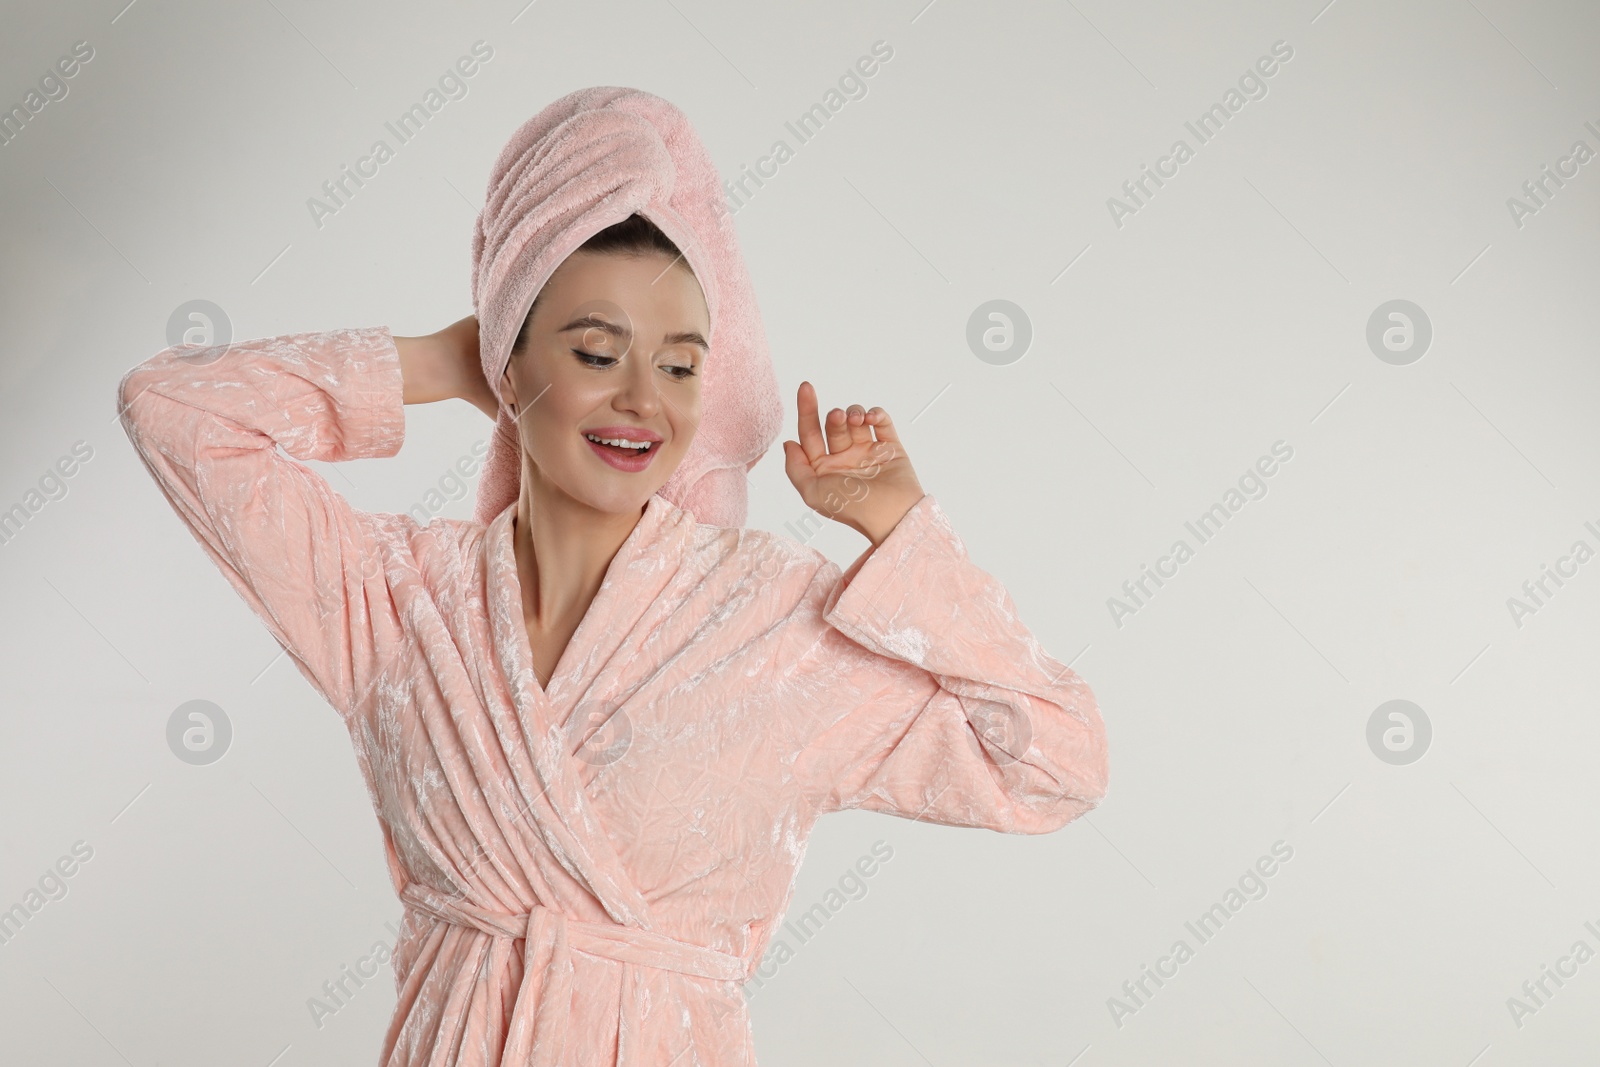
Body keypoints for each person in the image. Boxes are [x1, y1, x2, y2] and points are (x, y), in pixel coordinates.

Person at [117, 89, 1108, 1067]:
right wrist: (433, 360)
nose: (643, 398)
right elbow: (171, 411)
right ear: (510, 368)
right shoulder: (395, 599)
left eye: (681, 367)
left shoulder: (772, 619)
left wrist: (899, 529)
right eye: (596, 351)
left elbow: (1053, 761)